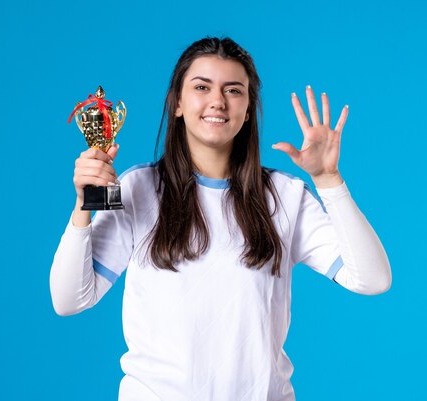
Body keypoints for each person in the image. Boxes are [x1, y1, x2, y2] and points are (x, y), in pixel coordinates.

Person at [50, 37, 391, 401]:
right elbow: (70, 300)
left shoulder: (286, 195)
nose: (217, 101)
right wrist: (86, 202)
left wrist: (327, 179)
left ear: (248, 110)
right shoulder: (136, 186)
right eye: (202, 87)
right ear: (178, 103)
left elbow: (373, 280)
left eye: (234, 90)